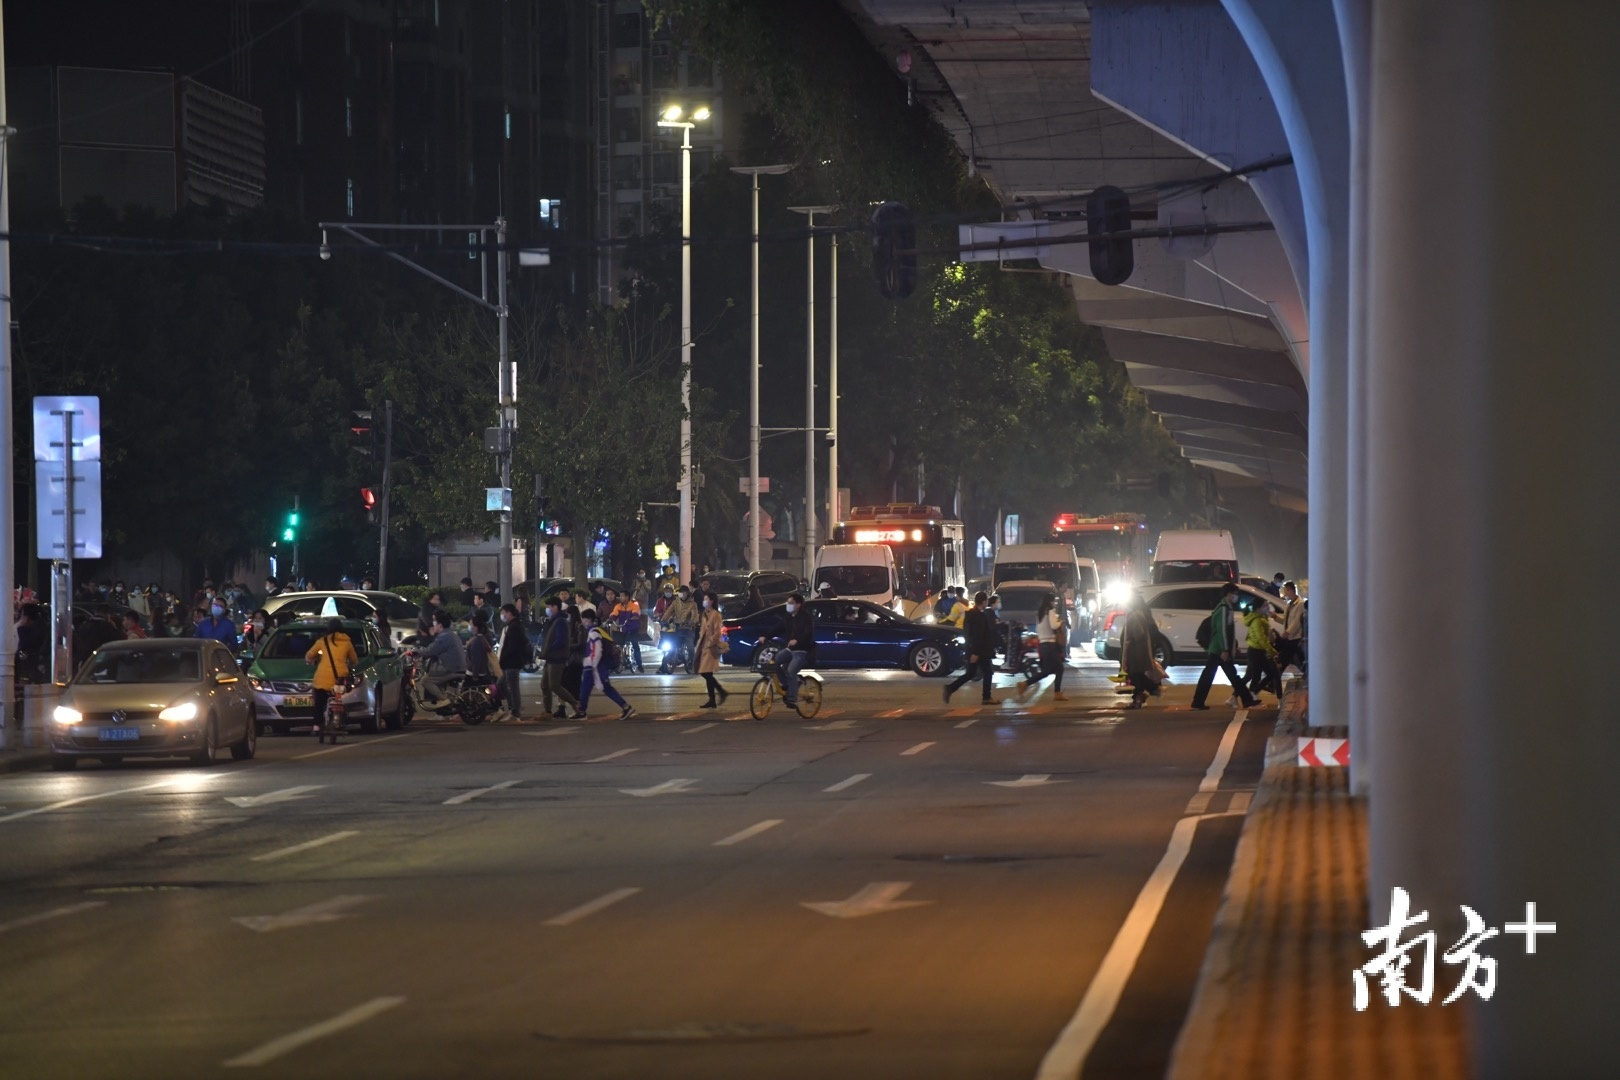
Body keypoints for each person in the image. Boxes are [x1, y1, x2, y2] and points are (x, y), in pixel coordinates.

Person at [1190, 582, 1259, 710]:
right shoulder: (1223, 609)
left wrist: (1233, 645)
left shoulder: (1226, 608)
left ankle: (1198, 702)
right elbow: (1222, 631)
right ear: (1228, 594)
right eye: (1235, 594)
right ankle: (1247, 700)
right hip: (1219, 649)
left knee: (1225, 675)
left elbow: (1228, 632)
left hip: (1219, 648)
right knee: (1223, 675)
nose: (1236, 596)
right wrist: (1226, 649)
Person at [578, 608, 636, 719]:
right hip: (598, 666)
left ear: (589, 619)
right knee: (604, 688)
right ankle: (625, 707)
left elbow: (597, 651)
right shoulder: (598, 631)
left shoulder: (593, 633)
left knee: (587, 688)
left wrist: (591, 664)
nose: (582, 622)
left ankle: (581, 712)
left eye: (584, 619)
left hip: (595, 666)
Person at [943, 591, 998, 704]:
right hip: (980, 651)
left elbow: (968, 634)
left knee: (971, 673)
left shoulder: (970, 615)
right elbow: (978, 635)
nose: (987, 603)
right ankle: (986, 697)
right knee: (987, 672)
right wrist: (975, 652)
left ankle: (950, 688)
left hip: (974, 649)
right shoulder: (978, 617)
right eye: (986, 601)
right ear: (983, 602)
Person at [305, 617, 359, 730]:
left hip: (322, 678)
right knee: (339, 697)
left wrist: (310, 661)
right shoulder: (347, 642)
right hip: (340, 678)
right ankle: (340, 719)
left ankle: (316, 726)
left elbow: (310, 655)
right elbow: (354, 660)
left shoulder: (322, 641)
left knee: (319, 701)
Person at [537, 597, 584, 719]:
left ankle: (576, 704)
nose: (547, 609)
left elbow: (560, 640)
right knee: (545, 685)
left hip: (557, 658)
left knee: (554, 685)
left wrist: (549, 649)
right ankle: (547, 711)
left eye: (549, 606)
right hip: (550, 658)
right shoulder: (554, 620)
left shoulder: (561, 621)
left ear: (555, 607)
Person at [1018, 592, 1068, 701]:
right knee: (1059, 668)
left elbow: (1039, 629)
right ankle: (1057, 694)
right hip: (1050, 644)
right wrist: (1061, 622)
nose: (1055, 603)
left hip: (1043, 644)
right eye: (1054, 601)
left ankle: (1025, 684)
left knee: (1047, 671)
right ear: (1050, 602)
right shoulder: (1050, 611)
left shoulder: (1040, 613)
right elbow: (1054, 625)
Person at [770, 592, 815, 709]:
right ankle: (787, 685)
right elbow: (778, 628)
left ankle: (792, 699)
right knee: (775, 661)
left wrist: (797, 640)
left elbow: (807, 633)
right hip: (790, 649)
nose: (788, 605)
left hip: (802, 650)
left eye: (791, 603)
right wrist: (765, 636)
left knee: (791, 671)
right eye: (788, 603)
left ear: (798, 605)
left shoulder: (806, 617)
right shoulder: (788, 617)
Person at [417, 609, 467, 705]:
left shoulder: (444, 637)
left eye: (435, 623)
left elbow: (430, 650)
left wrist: (416, 651)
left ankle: (444, 700)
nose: (433, 626)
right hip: (459, 667)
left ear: (440, 625)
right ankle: (447, 705)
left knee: (425, 680)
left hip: (450, 668)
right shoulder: (452, 634)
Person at [691, 589, 732, 709]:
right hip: (703, 646)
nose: (704, 601)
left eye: (706, 599)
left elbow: (717, 633)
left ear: (712, 601)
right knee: (705, 673)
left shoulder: (716, 615)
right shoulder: (704, 614)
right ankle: (716, 696)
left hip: (710, 647)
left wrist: (709, 643)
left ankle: (718, 694)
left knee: (705, 672)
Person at [1120, 596, 1162, 708]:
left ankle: (1152, 689)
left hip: (1136, 652)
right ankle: (1141, 696)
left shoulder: (1136, 615)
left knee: (1135, 675)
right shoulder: (1139, 613)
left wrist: (1129, 640)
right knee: (1136, 675)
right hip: (1138, 651)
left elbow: (1138, 633)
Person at [492, 603, 531, 720]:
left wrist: (503, 658)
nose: (502, 615)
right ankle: (514, 707)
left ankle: (515, 711)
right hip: (510, 662)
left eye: (503, 613)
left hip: (512, 662)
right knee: (501, 684)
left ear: (509, 613)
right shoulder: (514, 625)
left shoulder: (514, 627)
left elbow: (513, 647)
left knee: (513, 687)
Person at [1241, 599, 1281, 699]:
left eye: (1267, 605)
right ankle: (1250, 695)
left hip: (1258, 651)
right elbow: (1261, 639)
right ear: (1258, 608)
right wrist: (1272, 651)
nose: (1267, 607)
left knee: (1258, 675)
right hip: (1256, 651)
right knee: (1261, 675)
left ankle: (1251, 695)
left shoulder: (1261, 618)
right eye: (1265, 606)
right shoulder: (1257, 620)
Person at [659, 586, 699, 674]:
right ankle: (663, 666)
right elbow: (668, 612)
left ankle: (694, 665)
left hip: (688, 629)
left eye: (683, 592)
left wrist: (692, 622)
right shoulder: (676, 602)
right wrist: (663, 620)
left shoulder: (692, 604)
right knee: (671, 646)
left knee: (690, 647)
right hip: (677, 629)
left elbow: (695, 615)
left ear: (687, 593)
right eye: (680, 592)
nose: (681, 594)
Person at [610, 589, 644, 673]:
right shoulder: (618, 606)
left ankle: (639, 664)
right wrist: (611, 618)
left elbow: (636, 613)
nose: (621, 598)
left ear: (627, 597)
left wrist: (634, 616)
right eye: (620, 596)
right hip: (623, 628)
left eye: (622, 596)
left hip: (633, 628)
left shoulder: (634, 605)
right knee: (619, 643)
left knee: (635, 644)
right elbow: (614, 614)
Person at [1277, 580, 1307, 676]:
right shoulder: (1289, 604)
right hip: (1290, 637)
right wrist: (1275, 617)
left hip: (1296, 637)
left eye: (1285, 591)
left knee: (1285, 657)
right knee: (1292, 658)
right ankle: (1308, 675)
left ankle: (1273, 680)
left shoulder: (1300, 604)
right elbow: (1286, 621)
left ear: (1290, 590)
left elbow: (1297, 621)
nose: (1284, 593)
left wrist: (1288, 632)